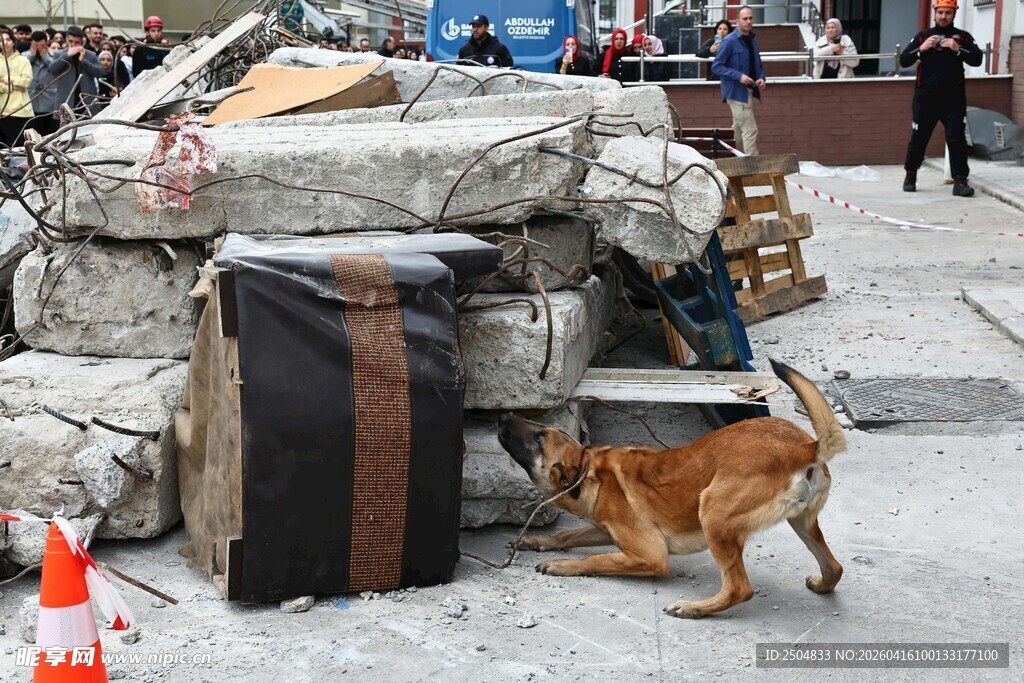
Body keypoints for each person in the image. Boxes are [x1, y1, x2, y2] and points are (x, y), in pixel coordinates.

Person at [900, 0, 982, 196]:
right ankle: (911, 175)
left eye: (948, 12)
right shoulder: (924, 36)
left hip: (953, 98)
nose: (943, 16)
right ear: (934, 13)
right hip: (925, 98)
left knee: (956, 139)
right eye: (940, 12)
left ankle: (960, 181)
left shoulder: (962, 37)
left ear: (954, 14)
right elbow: (904, 60)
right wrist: (922, 49)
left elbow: (977, 59)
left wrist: (957, 48)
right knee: (919, 138)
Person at [712, 6, 766, 156]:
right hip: (736, 92)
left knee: (736, 131)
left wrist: (761, 77)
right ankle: (753, 168)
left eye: (750, 18)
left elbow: (757, 64)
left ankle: (720, 157)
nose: (748, 21)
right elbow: (716, 66)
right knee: (750, 129)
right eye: (745, 18)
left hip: (748, 90)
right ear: (737, 21)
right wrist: (739, 76)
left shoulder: (752, 40)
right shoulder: (729, 41)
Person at [47, 25, 105, 117]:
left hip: (87, 102)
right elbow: (52, 68)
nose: (73, 45)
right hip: (67, 100)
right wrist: (67, 55)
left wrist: (83, 61)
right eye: (70, 41)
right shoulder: (59, 54)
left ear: (82, 42)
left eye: (76, 42)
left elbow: (100, 72)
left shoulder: (90, 55)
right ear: (66, 40)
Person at [1, 28, 35, 147]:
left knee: (21, 150)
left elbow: (26, 82)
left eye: (8, 39)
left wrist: (4, 79)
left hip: (21, 112)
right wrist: (10, 88)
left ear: (13, 41)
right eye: (2, 40)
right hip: (3, 112)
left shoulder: (23, 61)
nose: (5, 43)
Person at [23, 30, 60, 136]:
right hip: (31, 99)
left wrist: (45, 56)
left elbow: (56, 69)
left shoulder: (55, 55)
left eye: (41, 45)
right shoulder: (25, 56)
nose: (39, 47)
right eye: (36, 44)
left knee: (49, 134)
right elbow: (23, 69)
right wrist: (32, 56)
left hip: (50, 100)